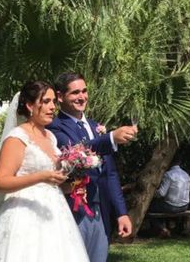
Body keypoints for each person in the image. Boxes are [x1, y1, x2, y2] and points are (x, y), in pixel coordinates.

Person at [0, 81, 90, 261]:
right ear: (29, 105)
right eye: (45, 102)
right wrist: (42, 177)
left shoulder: (50, 137)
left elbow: (51, 182)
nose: (52, 107)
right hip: (23, 216)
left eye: (53, 101)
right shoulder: (17, 137)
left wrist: (71, 187)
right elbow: (1, 182)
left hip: (55, 215)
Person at [47, 72, 136, 262]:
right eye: (75, 93)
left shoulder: (96, 126)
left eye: (84, 91)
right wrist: (110, 138)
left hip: (100, 211)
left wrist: (121, 213)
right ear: (60, 97)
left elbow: (110, 174)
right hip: (72, 210)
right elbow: (75, 153)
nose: (82, 97)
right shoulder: (54, 127)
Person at [148, 155, 190, 237]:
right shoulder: (186, 175)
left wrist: (151, 192)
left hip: (171, 207)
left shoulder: (168, 175)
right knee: (162, 205)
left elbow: (161, 193)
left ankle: (162, 229)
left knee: (149, 208)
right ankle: (172, 228)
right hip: (185, 206)